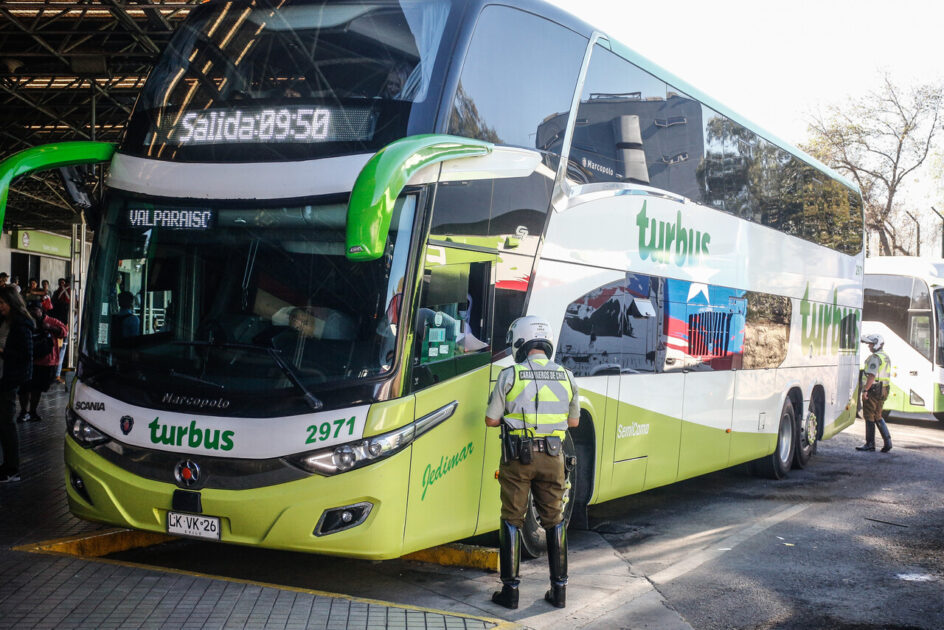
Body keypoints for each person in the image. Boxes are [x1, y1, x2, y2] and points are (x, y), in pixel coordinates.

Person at [485, 316, 580, 609]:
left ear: (521, 342)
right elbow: (573, 422)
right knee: (555, 520)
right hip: (554, 456)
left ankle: (510, 592)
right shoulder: (567, 375)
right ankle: (559, 591)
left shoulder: (510, 375)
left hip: (519, 458)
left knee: (512, 519)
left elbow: (491, 420)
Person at [0, 286, 34, 482]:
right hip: (2, 376)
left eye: (2, 303)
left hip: (9, 379)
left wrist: (3, 352)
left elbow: (26, 355)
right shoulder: (5, 321)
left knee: (7, 423)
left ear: (12, 303)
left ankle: (12, 468)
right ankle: (7, 465)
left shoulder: (21, 325)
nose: (0, 306)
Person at [18, 300, 66, 423]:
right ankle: (23, 412)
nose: (32, 313)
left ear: (41, 310)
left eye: (35, 310)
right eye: (29, 310)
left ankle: (32, 411)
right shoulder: (24, 321)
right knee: (24, 388)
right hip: (27, 360)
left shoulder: (51, 321)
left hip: (45, 362)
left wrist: (50, 328)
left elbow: (64, 332)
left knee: (37, 389)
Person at [857, 334, 893, 453]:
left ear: (877, 344)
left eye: (871, 344)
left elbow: (871, 376)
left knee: (869, 416)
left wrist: (865, 390)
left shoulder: (875, 357)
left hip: (874, 389)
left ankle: (870, 444)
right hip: (884, 389)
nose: (869, 346)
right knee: (878, 415)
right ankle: (888, 442)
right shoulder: (885, 356)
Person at [51, 278, 71, 384]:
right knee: (62, 351)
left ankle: (54, 374)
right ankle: (57, 375)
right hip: (64, 326)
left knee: (55, 350)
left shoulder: (57, 292)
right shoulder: (71, 292)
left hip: (55, 324)